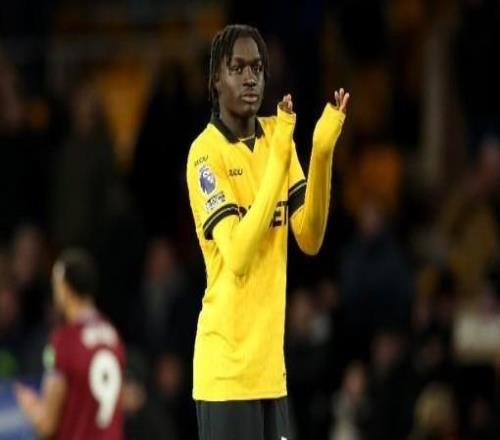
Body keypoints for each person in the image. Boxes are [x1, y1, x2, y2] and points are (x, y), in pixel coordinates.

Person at [186, 24, 349, 440]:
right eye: (237, 68)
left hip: (270, 373)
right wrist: (277, 161)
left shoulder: (278, 138)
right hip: (225, 373)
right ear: (215, 80)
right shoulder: (205, 154)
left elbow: (309, 237)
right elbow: (239, 256)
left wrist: (321, 153)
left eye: (257, 68)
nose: (250, 78)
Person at [14, 249, 125, 439]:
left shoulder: (64, 340)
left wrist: (30, 404)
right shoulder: (113, 336)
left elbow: (46, 425)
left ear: (65, 288)